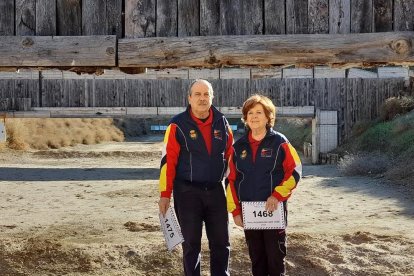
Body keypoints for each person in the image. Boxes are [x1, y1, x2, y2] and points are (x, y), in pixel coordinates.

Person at [158, 79, 234, 276]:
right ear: (189, 98)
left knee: (221, 243)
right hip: (187, 193)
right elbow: (168, 162)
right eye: (198, 94)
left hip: (216, 192)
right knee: (191, 246)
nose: (202, 98)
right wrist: (165, 194)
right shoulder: (177, 125)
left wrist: (235, 197)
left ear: (212, 98)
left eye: (206, 94)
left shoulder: (223, 123)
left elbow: (231, 162)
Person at [226, 94, 302, 276]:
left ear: (268, 117)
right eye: (250, 113)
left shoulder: (280, 142)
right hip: (249, 213)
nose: (254, 116)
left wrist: (277, 195)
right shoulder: (238, 147)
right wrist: (235, 211)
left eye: (259, 112)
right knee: (257, 260)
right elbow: (230, 180)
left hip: (273, 211)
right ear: (245, 118)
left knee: (275, 259)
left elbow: (295, 171)